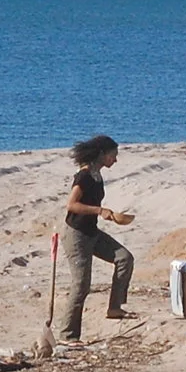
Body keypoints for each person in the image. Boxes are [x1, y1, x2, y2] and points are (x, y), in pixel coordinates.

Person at [56, 133, 137, 343]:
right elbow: (72, 205)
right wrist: (99, 210)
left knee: (124, 258)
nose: (115, 160)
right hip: (76, 235)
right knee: (81, 285)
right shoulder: (84, 175)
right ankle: (68, 335)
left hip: (92, 232)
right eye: (113, 155)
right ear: (102, 154)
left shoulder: (97, 175)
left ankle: (115, 307)